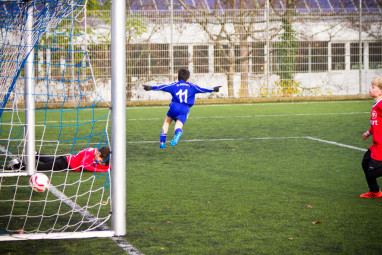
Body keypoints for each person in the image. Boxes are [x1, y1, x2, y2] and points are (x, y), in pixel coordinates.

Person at [143, 68, 221, 149]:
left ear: (178, 78)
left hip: (174, 107)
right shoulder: (192, 86)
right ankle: (178, 134)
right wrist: (214, 89)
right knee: (178, 126)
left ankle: (162, 142)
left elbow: (163, 87)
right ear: (188, 79)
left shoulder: (174, 85)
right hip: (184, 108)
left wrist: (151, 87)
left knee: (167, 122)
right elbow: (202, 89)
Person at [8, 146, 111, 172]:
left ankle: (35, 154)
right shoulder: (90, 153)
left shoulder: (94, 151)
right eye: (99, 159)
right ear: (99, 153)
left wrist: (106, 167)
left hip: (65, 160)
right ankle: (17, 164)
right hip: (64, 164)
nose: (98, 161)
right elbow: (85, 165)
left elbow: (92, 164)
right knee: (42, 167)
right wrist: (102, 169)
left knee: (49, 161)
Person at [361, 76, 382, 198]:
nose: (370, 88)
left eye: (373, 87)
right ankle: (375, 191)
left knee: (372, 172)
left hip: (381, 147)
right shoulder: (376, 105)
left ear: (380, 91)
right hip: (376, 145)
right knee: (365, 162)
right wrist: (368, 133)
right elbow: (376, 124)